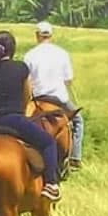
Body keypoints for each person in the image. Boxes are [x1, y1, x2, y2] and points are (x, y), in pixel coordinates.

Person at [0, 30, 62, 200]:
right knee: (48, 142)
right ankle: (51, 184)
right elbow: (26, 97)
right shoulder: (20, 68)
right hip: (12, 121)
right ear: (12, 49)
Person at [24, 21, 82, 170]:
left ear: (37, 36)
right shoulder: (62, 53)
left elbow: (27, 82)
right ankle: (75, 158)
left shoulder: (29, 55)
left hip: (37, 100)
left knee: (22, 123)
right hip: (59, 99)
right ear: (51, 35)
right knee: (78, 121)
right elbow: (68, 79)